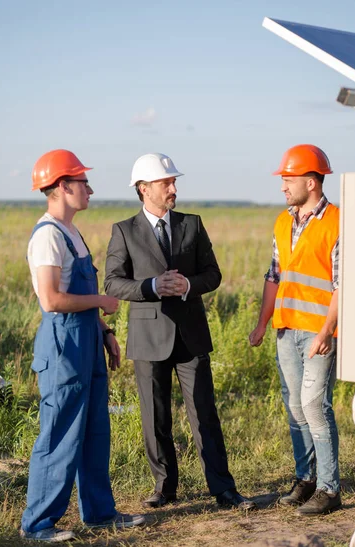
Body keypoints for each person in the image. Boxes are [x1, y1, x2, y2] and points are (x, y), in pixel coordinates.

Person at [104, 152, 256, 511]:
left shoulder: (193, 223)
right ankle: (164, 487)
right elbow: (112, 283)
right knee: (155, 417)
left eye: (173, 182)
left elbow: (213, 275)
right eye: (165, 182)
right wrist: (153, 286)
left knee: (205, 413)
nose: (173, 188)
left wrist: (188, 285)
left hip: (191, 337)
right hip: (148, 338)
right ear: (144, 189)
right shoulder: (124, 231)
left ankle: (223, 489)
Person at [21, 149, 145, 542]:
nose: (89, 189)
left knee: (94, 431)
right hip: (62, 349)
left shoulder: (72, 231)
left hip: (87, 342)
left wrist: (105, 334)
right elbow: (51, 300)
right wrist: (101, 303)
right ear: (61, 187)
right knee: (59, 433)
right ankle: (38, 524)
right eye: (82, 182)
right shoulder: (47, 237)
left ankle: (99, 513)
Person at [249, 144, 341, 516]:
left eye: (289, 179)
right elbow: (275, 275)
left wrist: (327, 331)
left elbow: (342, 284)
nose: (284, 186)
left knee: (314, 406)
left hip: (319, 333)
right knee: (295, 407)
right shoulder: (283, 221)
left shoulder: (337, 221)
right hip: (286, 329)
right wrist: (261, 322)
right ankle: (305, 479)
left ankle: (329, 488)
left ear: (312, 181)